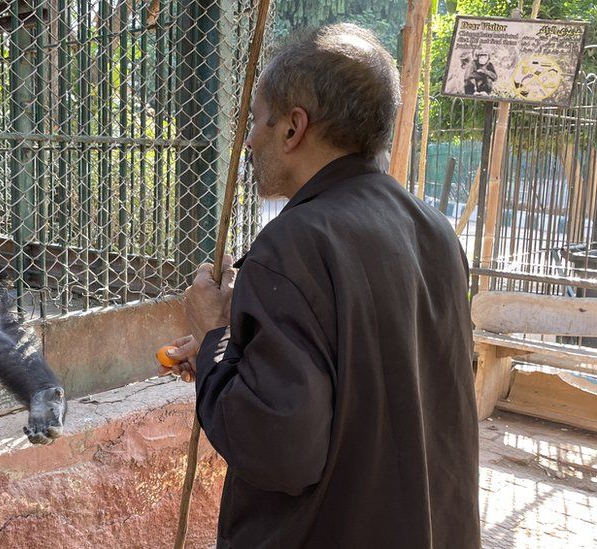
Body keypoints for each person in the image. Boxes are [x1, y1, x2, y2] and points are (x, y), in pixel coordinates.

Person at [162, 24, 480, 548]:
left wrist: (215, 333)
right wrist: (237, 360)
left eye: (257, 121)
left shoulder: (293, 246)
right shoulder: (433, 228)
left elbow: (278, 450)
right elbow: (370, 384)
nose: (249, 140)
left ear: (293, 128)